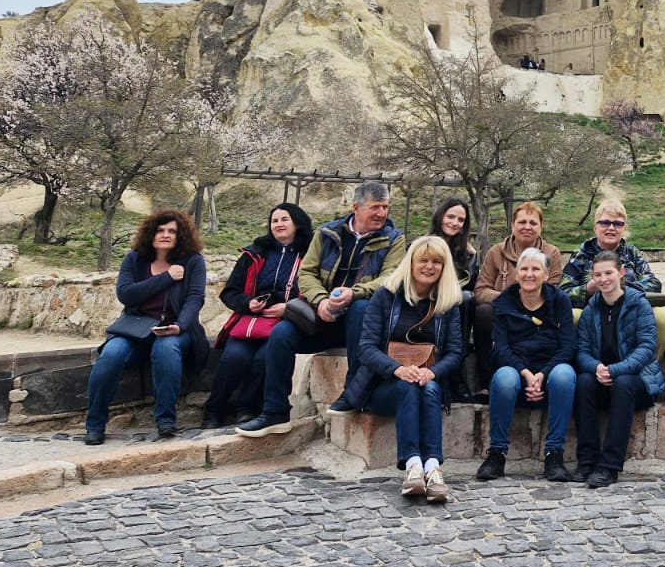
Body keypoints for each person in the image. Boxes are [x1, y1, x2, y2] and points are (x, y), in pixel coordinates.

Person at [237, 181, 405, 436]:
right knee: (281, 335)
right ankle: (275, 413)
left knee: (360, 307)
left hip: (363, 320)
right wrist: (321, 301)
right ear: (356, 207)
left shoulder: (394, 239)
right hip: (323, 315)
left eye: (385, 207)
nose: (382, 213)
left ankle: (354, 394)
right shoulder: (326, 233)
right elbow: (308, 273)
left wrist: (353, 293)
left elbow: (390, 277)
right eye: (375, 207)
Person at [353, 236, 466, 502]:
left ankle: (432, 468)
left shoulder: (447, 302)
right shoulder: (387, 295)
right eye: (423, 260)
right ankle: (413, 465)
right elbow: (366, 347)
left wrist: (432, 372)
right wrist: (396, 369)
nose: (429, 266)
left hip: (428, 379)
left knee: (427, 389)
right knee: (408, 387)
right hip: (383, 384)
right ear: (411, 263)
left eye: (436, 262)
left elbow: (455, 352)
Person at [84, 210, 209, 445]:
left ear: (181, 235)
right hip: (135, 329)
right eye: (160, 230)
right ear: (151, 233)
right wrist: (167, 277)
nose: (165, 235)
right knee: (111, 354)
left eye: (172, 231)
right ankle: (94, 424)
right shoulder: (135, 259)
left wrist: (180, 326)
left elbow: (195, 298)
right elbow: (126, 294)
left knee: (166, 348)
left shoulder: (193, 261)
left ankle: (165, 420)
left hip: (175, 329)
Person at [203, 203, 314, 428]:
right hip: (251, 321)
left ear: (298, 223)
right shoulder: (255, 253)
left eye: (285, 219)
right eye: (274, 220)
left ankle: (247, 409)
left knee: (265, 358)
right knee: (234, 357)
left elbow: (318, 291)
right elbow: (230, 292)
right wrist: (248, 303)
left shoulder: (312, 254)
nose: (279, 224)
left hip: (286, 322)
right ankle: (213, 411)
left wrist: (288, 308)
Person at [478, 247, 577, 482]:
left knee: (565, 375)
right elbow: (500, 347)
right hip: (516, 370)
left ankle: (554, 454)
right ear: (516, 273)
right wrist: (525, 373)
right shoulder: (504, 301)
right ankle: (497, 453)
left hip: (550, 372)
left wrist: (542, 374)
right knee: (503, 378)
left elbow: (568, 346)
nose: (529, 274)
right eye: (524, 269)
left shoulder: (559, 300)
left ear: (545, 275)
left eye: (536, 269)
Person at [573, 251, 664, 487]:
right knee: (583, 381)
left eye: (609, 273)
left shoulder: (639, 304)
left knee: (623, 383)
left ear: (621, 273)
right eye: (598, 275)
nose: (603, 279)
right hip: (601, 378)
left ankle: (609, 466)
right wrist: (597, 368)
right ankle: (586, 460)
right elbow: (581, 351)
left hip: (636, 381)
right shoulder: (591, 309)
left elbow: (646, 348)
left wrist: (615, 370)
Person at [472, 202, 565, 396]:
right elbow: (481, 291)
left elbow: (552, 290)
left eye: (533, 222)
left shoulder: (552, 253)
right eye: (522, 222)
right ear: (512, 225)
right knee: (483, 313)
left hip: (539, 314)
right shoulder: (496, 252)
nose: (527, 227)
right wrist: (509, 299)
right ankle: (486, 382)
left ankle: (542, 378)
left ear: (541, 227)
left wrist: (527, 299)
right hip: (503, 314)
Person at [559, 199, 662, 309]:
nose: (611, 228)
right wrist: (588, 289)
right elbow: (563, 293)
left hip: (628, 309)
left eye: (618, 224)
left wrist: (621, 288)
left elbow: (654, 284)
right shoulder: (581, 255)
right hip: (592, 312)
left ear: (624, 229)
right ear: (595, 227)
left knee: (661, 317)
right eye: (605, 223)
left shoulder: (632, 254)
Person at [429, 197, 479, 293]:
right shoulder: (420, 247)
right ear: (440, 216)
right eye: (450, 217)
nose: (455, 223)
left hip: (457, 301)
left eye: (461, 220)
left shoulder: (470, 254)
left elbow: (471, 287)